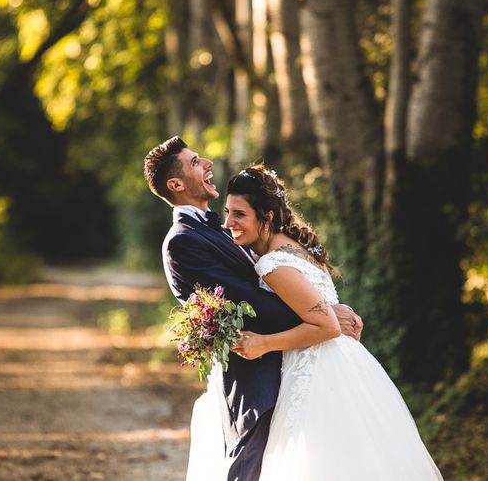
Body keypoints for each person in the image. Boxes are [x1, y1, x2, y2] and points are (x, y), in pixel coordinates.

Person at [142, 137, 363, 481]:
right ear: (176, 184)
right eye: (196, 162)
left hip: (288, 365)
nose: (208, 164)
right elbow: (247, 303)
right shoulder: (182, 241)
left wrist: (323, 307)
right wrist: (323, 314)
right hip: (252, 377)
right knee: (249, 471)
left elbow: (281, 282)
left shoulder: (218, 227)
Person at [221, 164, 444, 480]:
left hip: (316, 373)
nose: (229, 222)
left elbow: (327, 325)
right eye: (227, 212)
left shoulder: (272, 263)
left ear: (266, 216)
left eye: (239, 215)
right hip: (344, 364)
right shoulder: (292, 245)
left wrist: (262, 343)